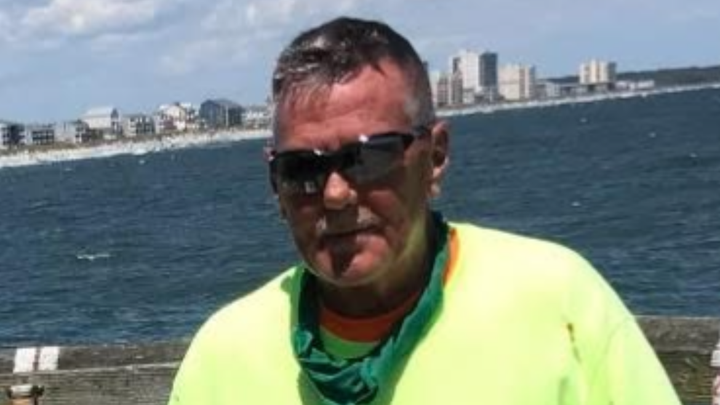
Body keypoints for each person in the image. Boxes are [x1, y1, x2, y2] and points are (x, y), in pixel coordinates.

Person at [168, 16, 681, 405]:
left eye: (368, 158)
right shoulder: (223, 355)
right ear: (274, 185)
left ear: (434, 158)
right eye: (302, 169)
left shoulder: (558, 300)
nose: (335, 194)